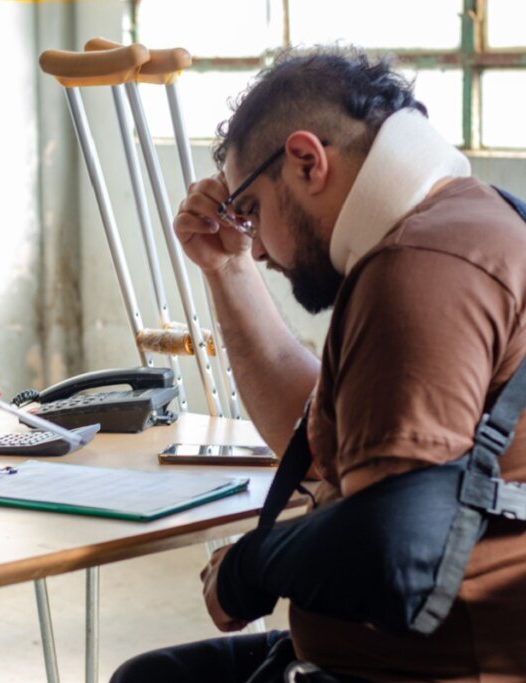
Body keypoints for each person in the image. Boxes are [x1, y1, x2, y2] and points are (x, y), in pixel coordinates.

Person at [111, 46, 526, 682]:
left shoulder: (416, 269)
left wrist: (251, 568)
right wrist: (228, 270)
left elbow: (394, 550)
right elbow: (318, 446)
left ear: (306, 162)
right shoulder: (468, 218)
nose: (259, 246)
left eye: (249, 211)